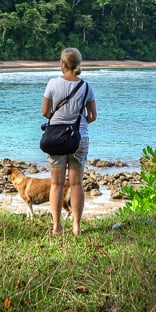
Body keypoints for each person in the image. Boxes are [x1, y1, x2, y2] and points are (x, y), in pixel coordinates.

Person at [41, 47, 97, 235]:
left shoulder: (52, 83)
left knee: (56, 184)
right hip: (78, 138)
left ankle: (56, 226)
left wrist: (58, 119)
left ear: (62, 64)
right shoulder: (87, 87)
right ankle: (76, 225)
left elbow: (45, 112)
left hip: (56, 138)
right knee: (76, 183)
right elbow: (92, 116)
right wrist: (79, 122)